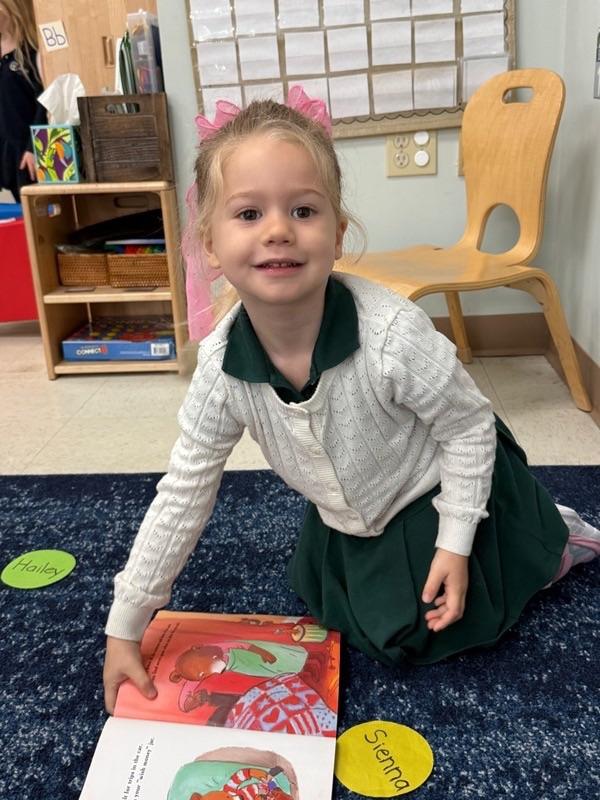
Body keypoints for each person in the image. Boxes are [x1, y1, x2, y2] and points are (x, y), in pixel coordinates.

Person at [103, 88, 600, 713]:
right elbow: (183, 492)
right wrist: (127, 623)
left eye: (303, 210)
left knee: (418, 633)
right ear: (209, 245)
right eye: (249, 213)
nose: (278, 230)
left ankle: (548, 537)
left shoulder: (391, 333)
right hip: (351, 511)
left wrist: (454, 542)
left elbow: (470, 427)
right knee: (338, 613)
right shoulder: (220, 368)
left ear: (337, 234)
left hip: (435, 483)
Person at [0, 0, 46, 201]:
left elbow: (44, 103)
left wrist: (33, 147)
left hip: (28, 153)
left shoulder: (31, 52)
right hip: (6, 153)